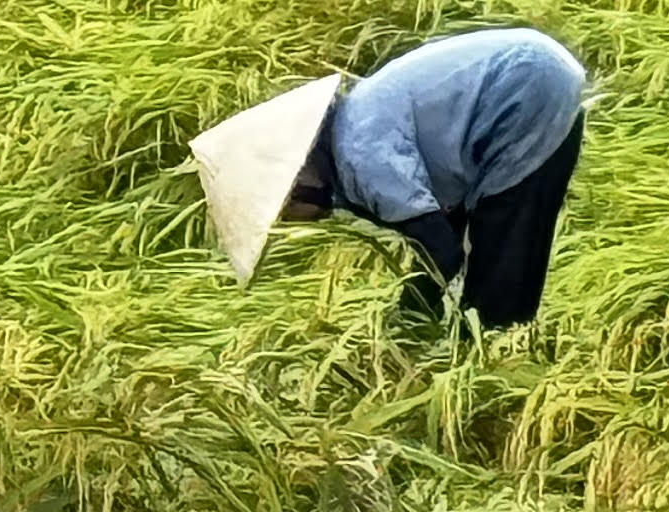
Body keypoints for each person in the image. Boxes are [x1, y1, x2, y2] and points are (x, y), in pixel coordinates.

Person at [190, 25, 590, 330]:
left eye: (285, 212)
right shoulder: (354, 136)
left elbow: (442, 251)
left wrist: (405, 324)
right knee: (504, 251)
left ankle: (499, 370)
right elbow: (439, 235)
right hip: (537, 74)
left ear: (296, 182)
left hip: (523, 87)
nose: (294, 221)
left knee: (504, 261)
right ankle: (502, 349)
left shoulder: (361, 157)